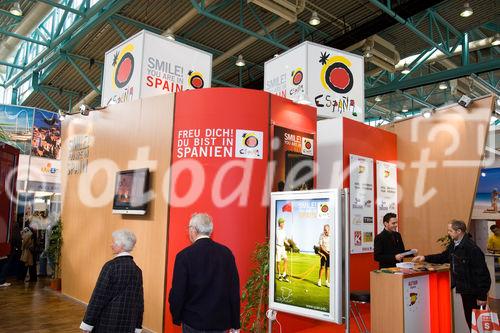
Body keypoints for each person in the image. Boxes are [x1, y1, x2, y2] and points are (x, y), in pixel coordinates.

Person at [413, 220, 491, 330]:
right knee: (471, 321)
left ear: (458, 231)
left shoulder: (471, 248)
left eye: (450, 230)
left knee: (476, 323)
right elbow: (444, 256)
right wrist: (425, 258)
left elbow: (482, 273)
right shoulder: (454, 245)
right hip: (465, 290)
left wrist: (482, 296)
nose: (448, 233)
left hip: (473, 292)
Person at [169, 213, 240, 333]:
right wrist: (235, 323)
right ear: (210, 231)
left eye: (189, 229)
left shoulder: (184, 256)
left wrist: (176, 316)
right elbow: (233, 290)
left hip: (193, 321)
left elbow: (178, 292)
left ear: (193, 230)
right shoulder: (226, 254)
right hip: (220, 323)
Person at [80, 229, 144, 333]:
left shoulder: (110, 266)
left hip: (107, 322)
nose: (111, 245)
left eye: (114, 242)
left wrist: (87, 323)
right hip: (128, 324)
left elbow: (98, 297)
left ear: (122, 246)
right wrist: (138, 325)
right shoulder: (137, 270)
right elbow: (139, 302)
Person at [276, 217, 290, 282]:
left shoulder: (284, 231)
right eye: (283, 222)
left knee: (286, 259)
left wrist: (289, 245)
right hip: (278, 247)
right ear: (280, 223)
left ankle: (284, 274)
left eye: (284, 222)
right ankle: (279, 275)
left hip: (283, 247)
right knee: (278, 261)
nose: (284, 223)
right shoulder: (277, 231)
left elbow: (285, 240)